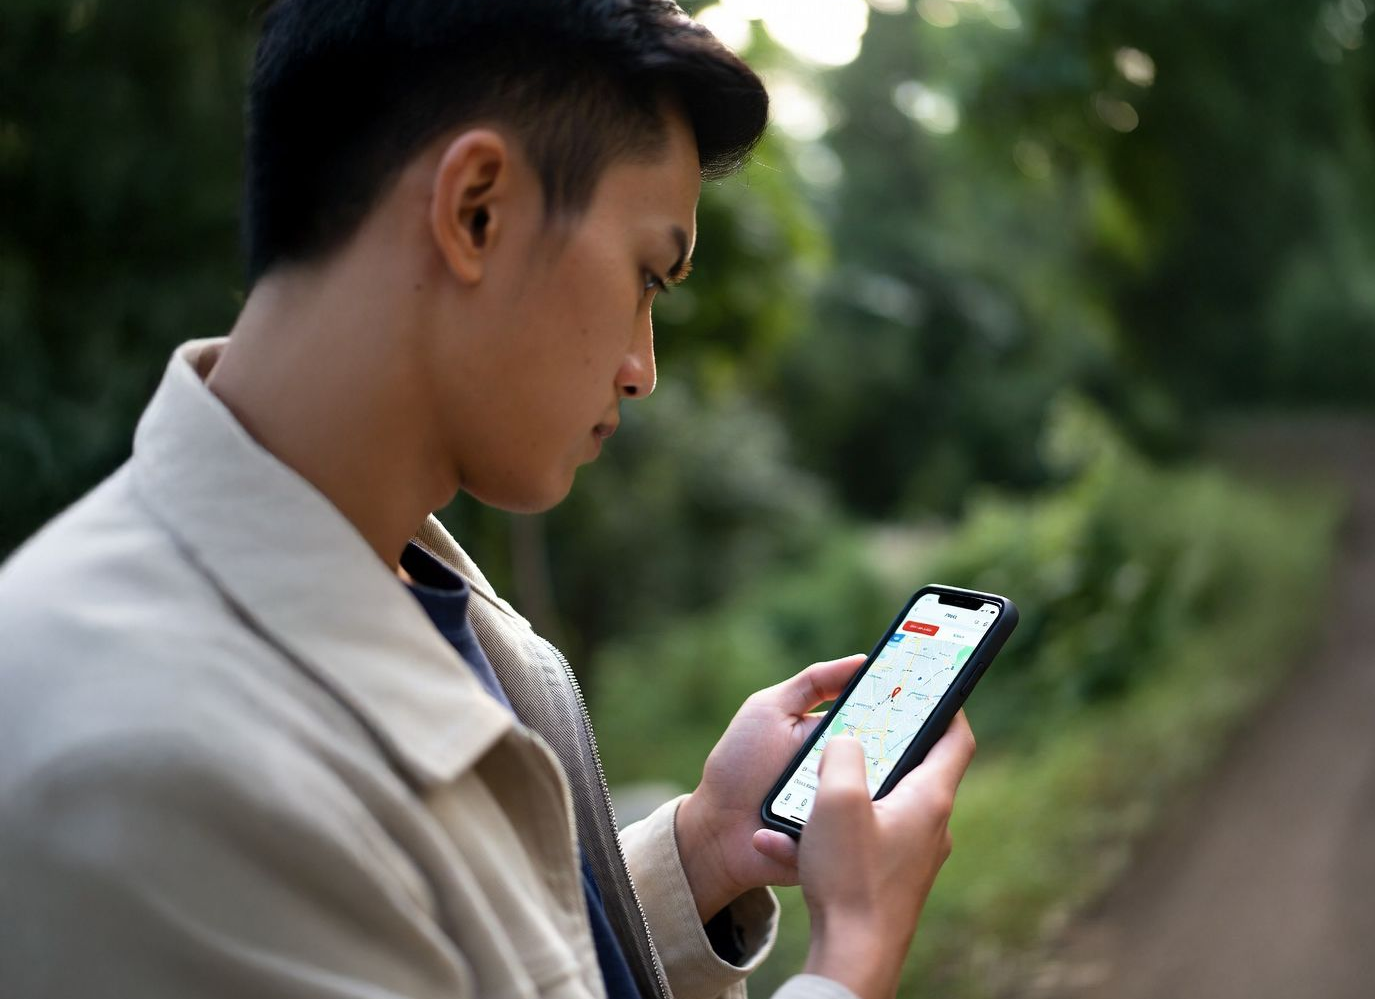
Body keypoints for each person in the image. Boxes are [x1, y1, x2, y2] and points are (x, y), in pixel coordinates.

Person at [0, 2, 975, 997]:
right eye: (648, 276)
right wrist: (852, 954)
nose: (643, 369)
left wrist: (701, 855)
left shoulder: (398, 586)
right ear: (477, 209)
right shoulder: (145, 761)